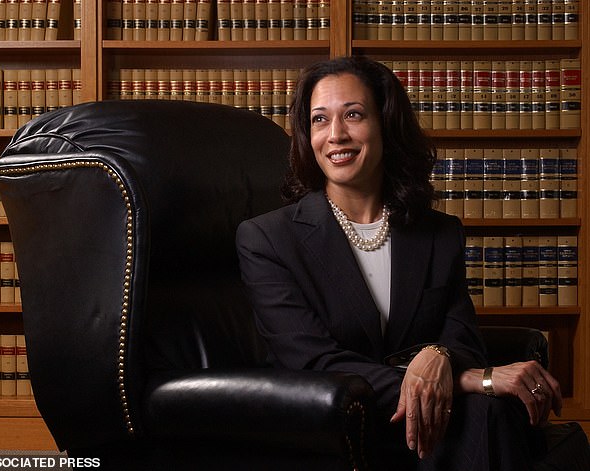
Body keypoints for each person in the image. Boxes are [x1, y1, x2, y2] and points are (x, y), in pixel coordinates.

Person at [235, 56, 564, 470]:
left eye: (353, 115)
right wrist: (465, 379)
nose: (336, 135)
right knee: (486, 411)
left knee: (491, 414)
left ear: (385, 125)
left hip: (433, 428)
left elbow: (460, 333)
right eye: (320, 120)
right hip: (335, 424)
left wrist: (439, 354)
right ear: (307, 135)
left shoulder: (438, 233)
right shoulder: (267, 238)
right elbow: (312, 360)